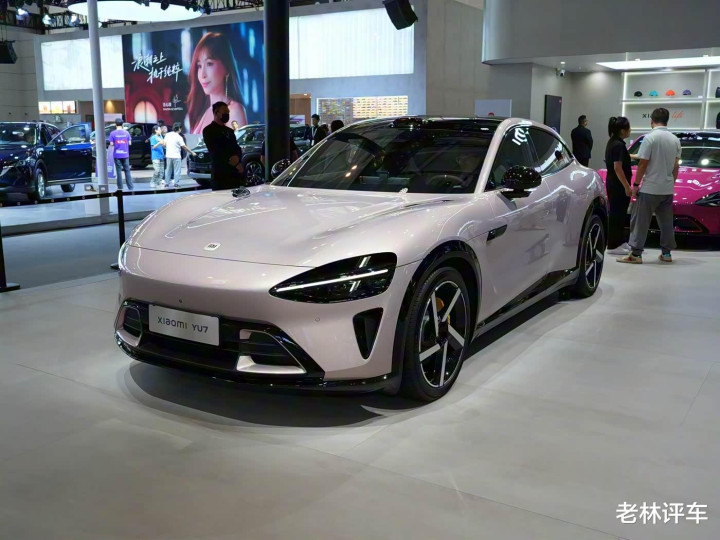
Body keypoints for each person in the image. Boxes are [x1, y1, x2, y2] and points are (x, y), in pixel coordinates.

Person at [618, 108, 681, 264]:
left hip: (650, 188)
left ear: (651, 120)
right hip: (667, 189)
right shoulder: (675, 140)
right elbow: (676, 166)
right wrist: (671, 183)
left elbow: (643, 164)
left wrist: (635, 185)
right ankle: (666, 254)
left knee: (640, 221)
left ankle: (636, 254)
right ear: (667, 120)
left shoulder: (650, 138)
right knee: (666, 223)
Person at [186, 32, 248, 134]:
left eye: (209, 64)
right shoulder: (204, 112)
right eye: (199, 66)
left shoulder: (233, 111)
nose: (202, 74)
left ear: (226, 68)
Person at [604, 117, 633, 255]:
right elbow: (617, 167)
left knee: (619, 213)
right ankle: (613, 245)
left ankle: (619, 241)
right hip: (618, 185)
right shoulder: (618, 145)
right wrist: (627, 186)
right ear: (622, 130)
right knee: (617, 214)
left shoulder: (613, 142)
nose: (630, 130)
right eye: (628, 128)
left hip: (614, 183)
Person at [202, 101, 245, 190]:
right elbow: (215, 151)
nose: (227, 114)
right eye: (225, 112)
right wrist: (233, 161)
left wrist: (237, 157)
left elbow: (236, 147)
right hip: (220, 175)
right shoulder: (208, 130)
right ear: (216, 113)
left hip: (234, 175)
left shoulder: (229, 131)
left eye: (228, 112)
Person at [164, 122, 196, 188]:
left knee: (168, 170)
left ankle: (166, 184)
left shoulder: (167, 135)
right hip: (176, 156)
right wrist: (192, 152)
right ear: (179, 128)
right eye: (181, 128)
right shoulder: (179, 137)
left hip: (168, 156)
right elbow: (184, 146)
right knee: (177, 170)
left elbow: (164, 144)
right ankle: (176, 184)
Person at [108, 118, 133, 190]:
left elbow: (111, 144)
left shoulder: (112, 133)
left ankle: (120, 187)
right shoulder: (126, 133)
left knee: (118, 171)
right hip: (125, 154)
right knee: (127, 170)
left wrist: (117, 143)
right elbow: (130, 143)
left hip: (117, 155)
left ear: (115, 124)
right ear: (122, 124)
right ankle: (130, 187)